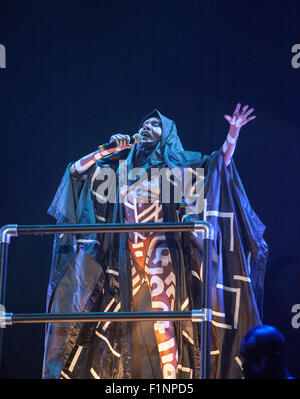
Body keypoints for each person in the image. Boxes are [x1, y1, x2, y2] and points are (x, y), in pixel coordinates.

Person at [43, 104, 268, 379]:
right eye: (145, 123)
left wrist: (233, 131)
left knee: (163, 316)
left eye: (155, 124)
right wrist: (106, 152)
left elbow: (218, 164)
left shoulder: (175, 169)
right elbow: (76, 172)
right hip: (125, 254)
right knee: (116, 324)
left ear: (167, 135)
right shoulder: (119, 170)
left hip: (159, 247)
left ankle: (172, 380)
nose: (147, 127)